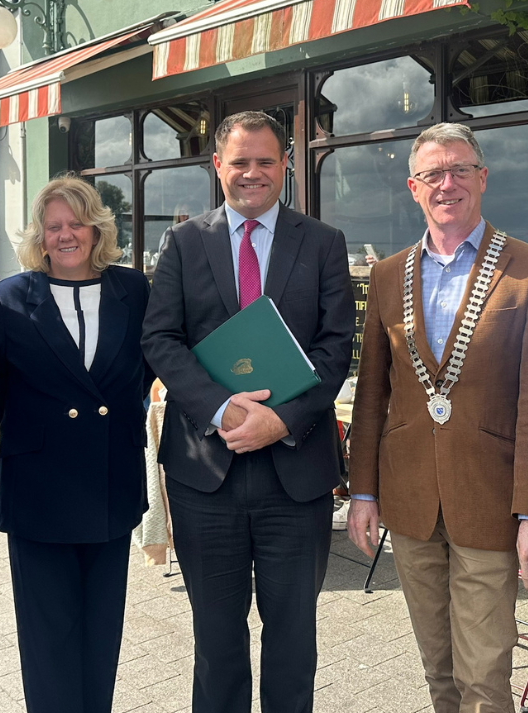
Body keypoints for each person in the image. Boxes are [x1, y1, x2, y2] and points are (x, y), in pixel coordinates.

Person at [142, 111, 356, 713]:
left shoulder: (322, 242)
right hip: (204, 473)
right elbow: (160, 340)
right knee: (216, 641)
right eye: (240, 161)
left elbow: (336, 347)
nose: (252, 173)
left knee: (293, 636)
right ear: (218, 166)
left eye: (265, 161)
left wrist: (282, 419)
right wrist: (220, 409)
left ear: (285, 164)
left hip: (296, 471)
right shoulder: (185, 242)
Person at [348, 123, 528, 713]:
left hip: (490, 500)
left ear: (482, 179)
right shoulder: (389, 274)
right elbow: (372, 394)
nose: (448, 184)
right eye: (434, 175)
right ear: (413, 187)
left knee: (485, 676)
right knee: (438, 671)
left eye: (460, 170)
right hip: (411, 499)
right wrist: (362, 492)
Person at [0, 175, 152, 713]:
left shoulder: (134, 290)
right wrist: (43, 430)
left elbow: (146, 371)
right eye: (53, 226)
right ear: (40, 235)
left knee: (102, 634)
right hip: (40, 491)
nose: (66, 235)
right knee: (48, 639)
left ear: (96, 227)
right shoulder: (8, 298)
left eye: (76, 222)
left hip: (110, 482)